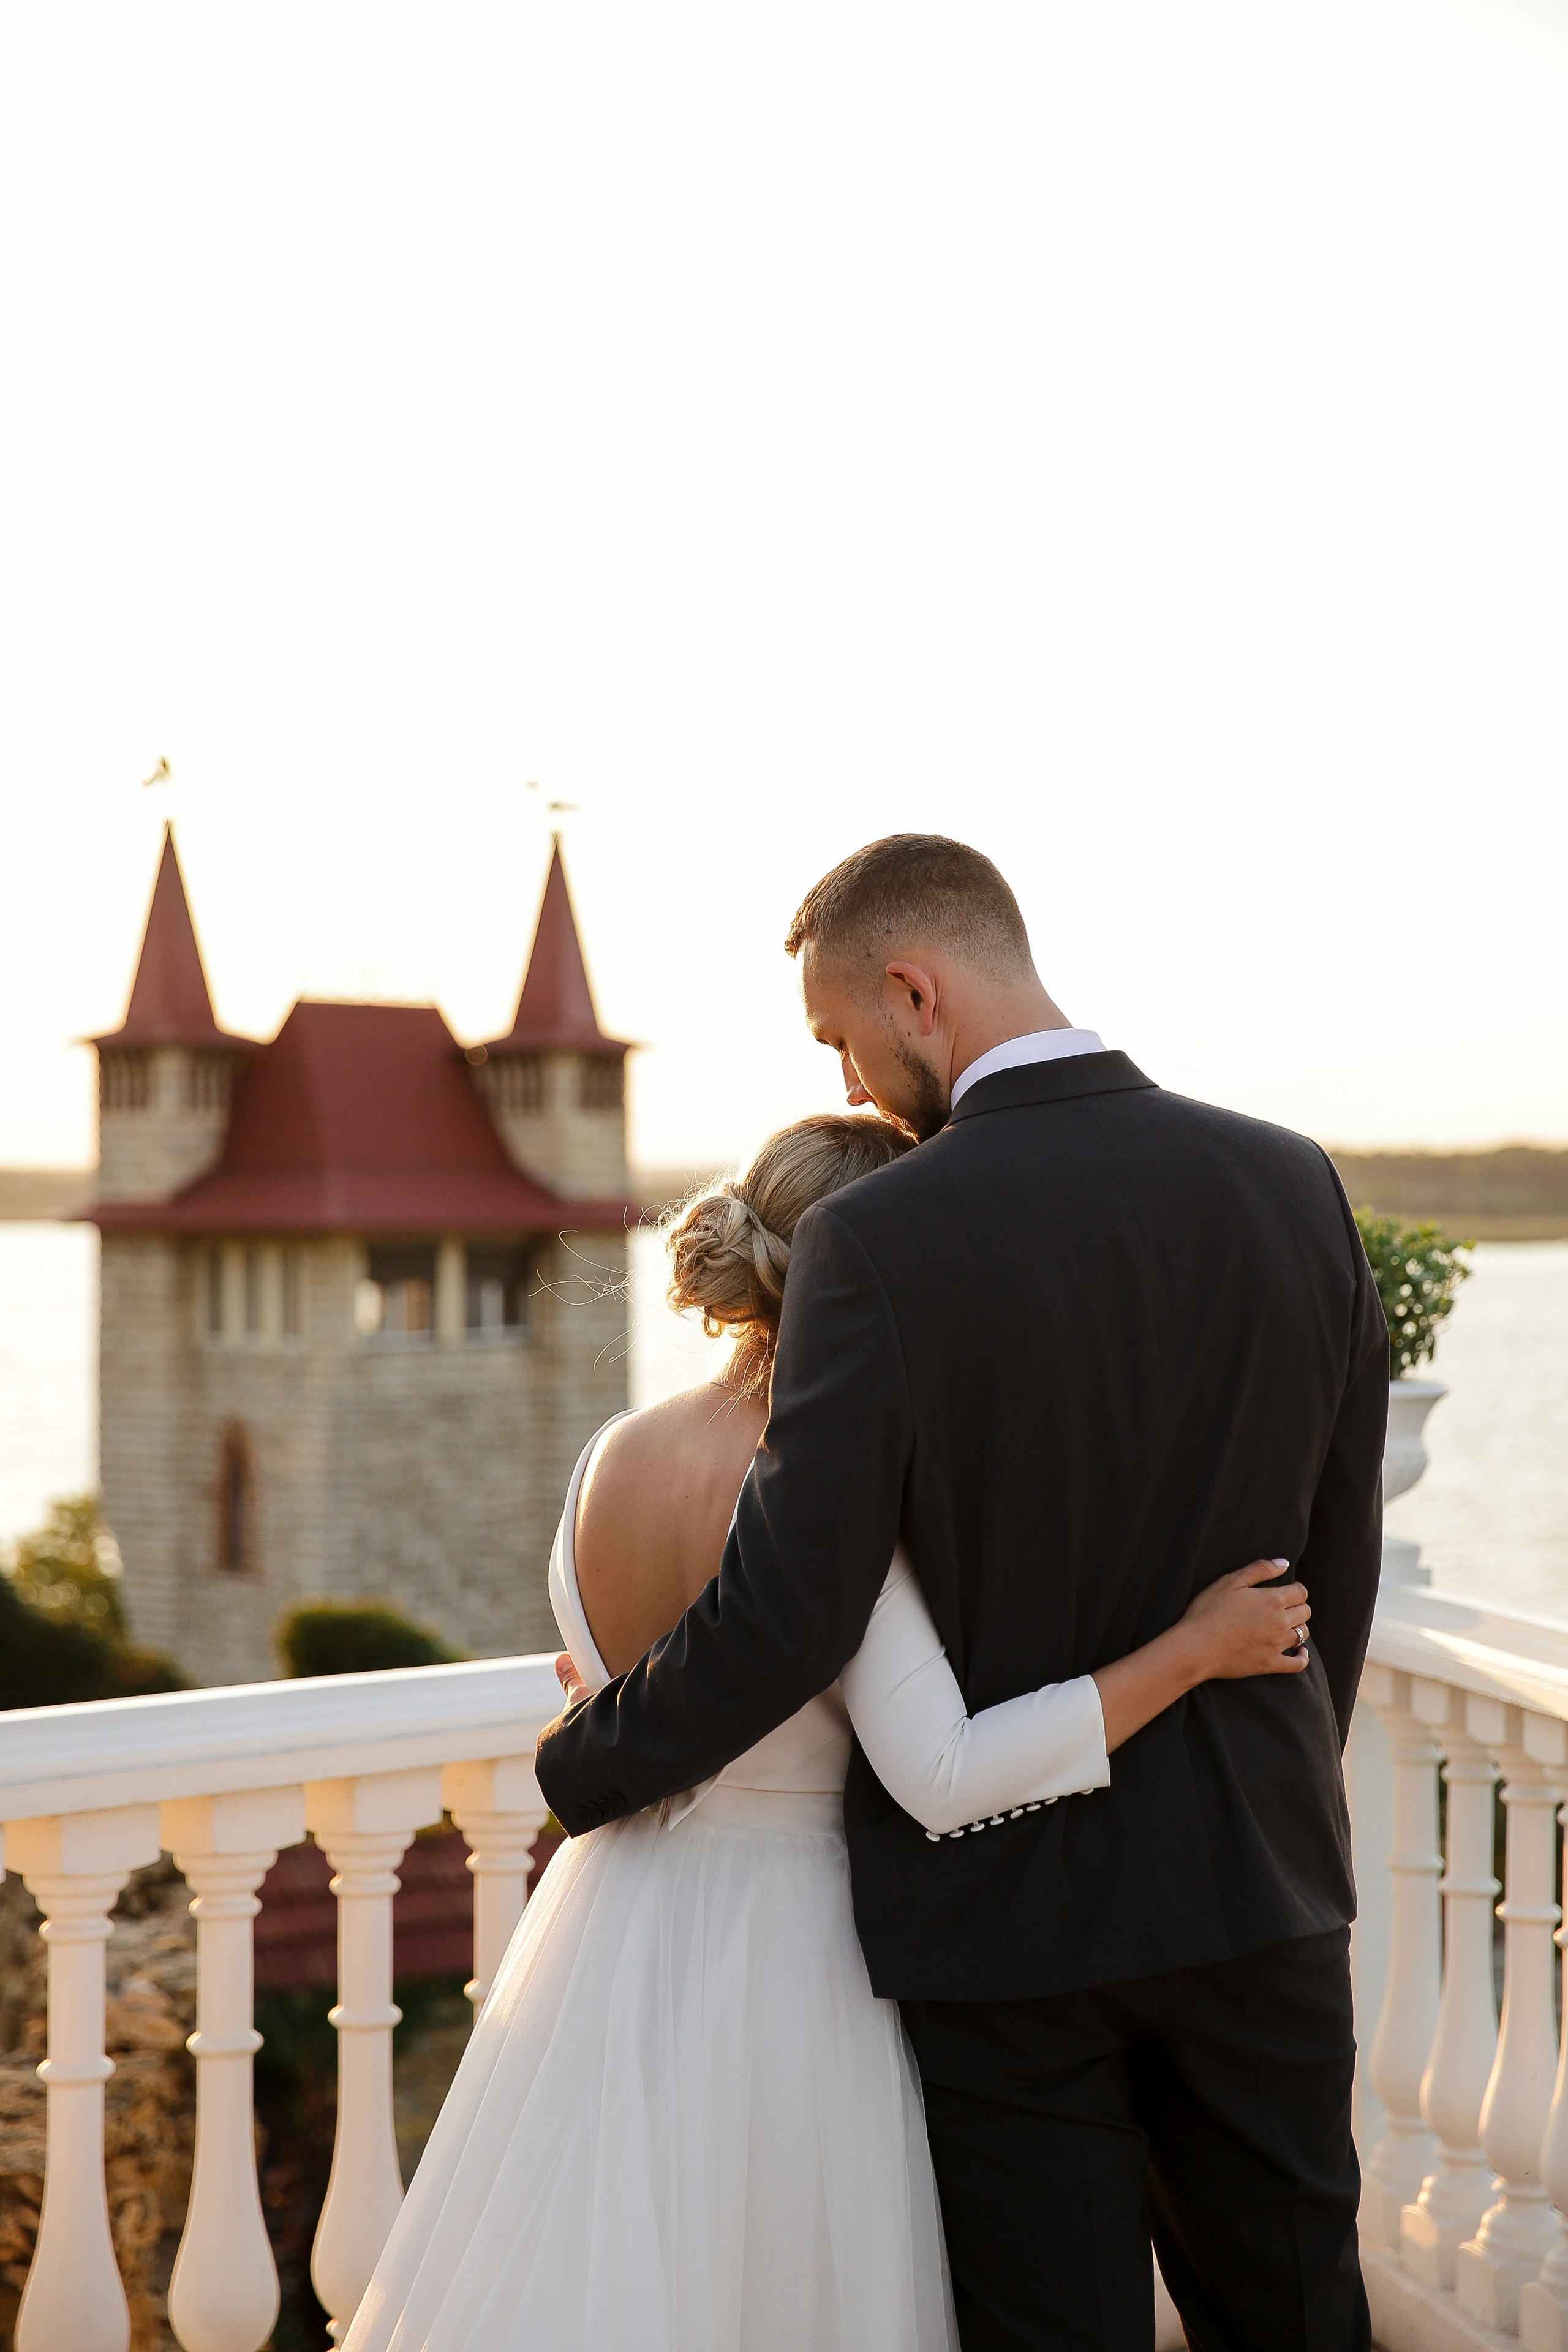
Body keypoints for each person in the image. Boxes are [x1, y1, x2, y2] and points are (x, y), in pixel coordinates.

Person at [538, 834, 1388, 2351]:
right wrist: (1269, 1794)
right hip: (1252, 1891)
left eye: (840, 1039)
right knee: (1300, 2323)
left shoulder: (875, 1238)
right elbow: (1333, 1563)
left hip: (1011, 1938)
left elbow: (790, 1606)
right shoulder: (1287, 1181)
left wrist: (586, 1760)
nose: (854, 1081)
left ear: (912, 990)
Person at [344, 1112, 1314, 2352]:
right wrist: (1191, 1651)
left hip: (615, 1929)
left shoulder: (610, 1453)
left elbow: (627, 1684)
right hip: (793, 1956)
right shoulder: (821, 1487)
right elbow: (945, 1772)